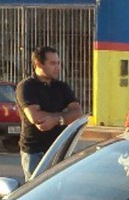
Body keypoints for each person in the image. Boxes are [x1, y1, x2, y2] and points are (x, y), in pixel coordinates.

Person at [15, 46, 83, 180]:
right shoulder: (26, 87)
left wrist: (57, 119)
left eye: (58, 63)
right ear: (38, 64)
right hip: (35, 152)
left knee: (60, 190)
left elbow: (77, 113)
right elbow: (36, 117)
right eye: (52, 63)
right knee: (36, 193)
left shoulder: (62, 87)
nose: (57, 67)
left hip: (59, 149)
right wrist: (63, 114)